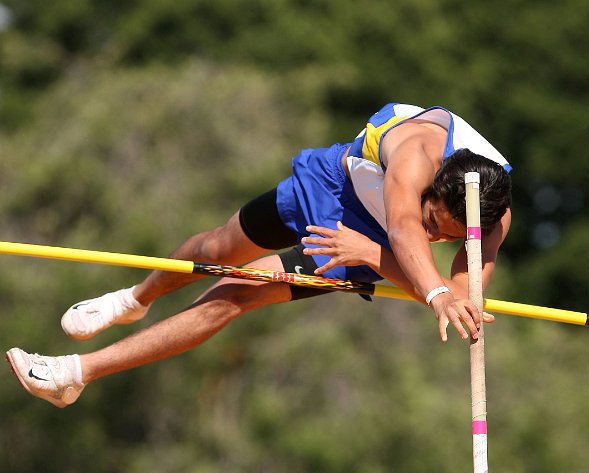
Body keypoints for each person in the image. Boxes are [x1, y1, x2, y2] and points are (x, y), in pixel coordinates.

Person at [6, 102, 512, 408]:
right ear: (431, 187)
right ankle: (133, 300)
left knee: (231, 296)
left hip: (360, 241)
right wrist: (431, 287)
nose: (437, 238)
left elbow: (459, 290)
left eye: (448, 237)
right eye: (433, 224)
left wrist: (435, 288)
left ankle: (75, 375)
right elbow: (405, 229)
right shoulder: (416, 157)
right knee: (216, 248)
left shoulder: (492, 215)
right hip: (332, 184)